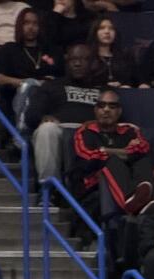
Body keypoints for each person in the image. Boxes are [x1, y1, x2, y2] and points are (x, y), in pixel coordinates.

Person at [70, 89, 154, 218]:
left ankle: (139, 196)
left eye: (112, 106)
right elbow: (89, 157)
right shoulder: (84, 131)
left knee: (143, 160)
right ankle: (133, 201)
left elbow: (142, 149)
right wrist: (125, 152)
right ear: (95, 110)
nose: (106, 110)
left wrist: (106, 150)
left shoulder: (129, 130)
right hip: (94, 186)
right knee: (112, 161)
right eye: (101, 106)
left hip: (129, 178)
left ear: (119, 111)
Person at [24, 44, 102, 180]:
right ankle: (49, 190)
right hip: (60, 131)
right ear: (67, 62)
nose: (77, 63)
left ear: (93, 63)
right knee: (47, 129)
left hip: (91, 135)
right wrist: (43, 117)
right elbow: (30, 116)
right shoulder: (52, 85)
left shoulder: (104, 90)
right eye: (73, 60)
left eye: (83, 59)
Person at [0, 7, 56, 121]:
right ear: (19, 26)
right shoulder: (9, 49)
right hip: (14, 95)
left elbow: (59, 78)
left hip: (46, 97)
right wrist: (27, 83)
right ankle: (21, 126)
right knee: (29, 86)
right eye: (26, 23)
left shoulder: (52, 51)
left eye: (35, 23)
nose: (31, 27)